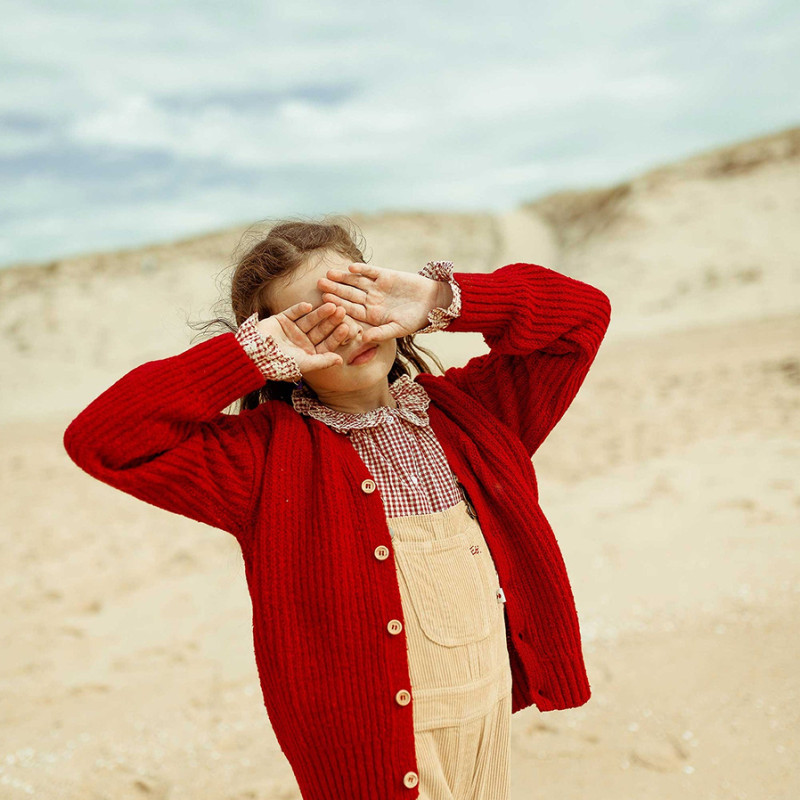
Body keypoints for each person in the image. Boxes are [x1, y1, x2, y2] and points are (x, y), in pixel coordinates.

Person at [63, 218, 612, 800]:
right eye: (315, 323)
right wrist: (248, 358)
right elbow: (103, 437)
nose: (349, 331)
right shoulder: (260, 459)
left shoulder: (475, 413)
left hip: (485, 708)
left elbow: (581, 317)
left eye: (358, 300)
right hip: (370, 750)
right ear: (276, 344)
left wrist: (441, 299)